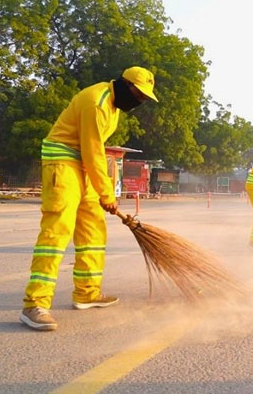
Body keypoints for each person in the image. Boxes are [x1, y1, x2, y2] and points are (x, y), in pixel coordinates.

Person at [20, 66, 158, 331]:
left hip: (80, 162)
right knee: (57, 231)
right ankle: (34, 303)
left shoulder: (113, 106)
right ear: (124, 84)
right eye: (139, 95)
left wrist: (103, 193)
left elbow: (93, 154)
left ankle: (87, 292)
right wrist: (107, 194)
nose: (140, 101)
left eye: (144, 98)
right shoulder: (97, 102)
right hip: (62, 161)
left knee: (94, 229)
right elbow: (92, 152)